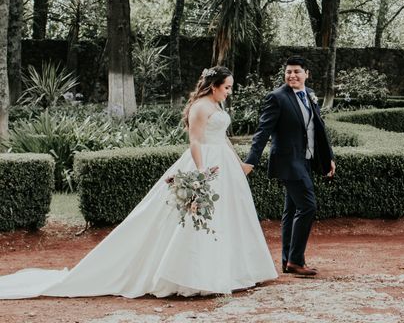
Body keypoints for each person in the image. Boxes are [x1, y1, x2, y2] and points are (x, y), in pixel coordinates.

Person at [0, 67, 277, 299]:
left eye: (229, 88)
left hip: (224, 165)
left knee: (229, 216)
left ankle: (232, 270)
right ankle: (193, 276)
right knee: (194, 220)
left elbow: (223, 136)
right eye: (226, 87)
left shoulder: (217, 104)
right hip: (204, 162)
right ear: (214, 86)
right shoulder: (199, 107)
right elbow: (195, 140)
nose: (229, 92)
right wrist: (201, 171)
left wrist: (237, 162)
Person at [245, 56, 336, 277]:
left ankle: (287, 261)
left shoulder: (310, 94)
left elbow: (318, 129)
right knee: (308, 206)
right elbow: (262, 132)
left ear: (306, 74)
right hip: (288, 161)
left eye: (296, 71)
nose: (292, 76)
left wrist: (328, 157)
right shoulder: (277, 98)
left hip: (306, 160)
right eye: (288, 72)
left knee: (293, 210)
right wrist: (250, 161)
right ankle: (296, 260)